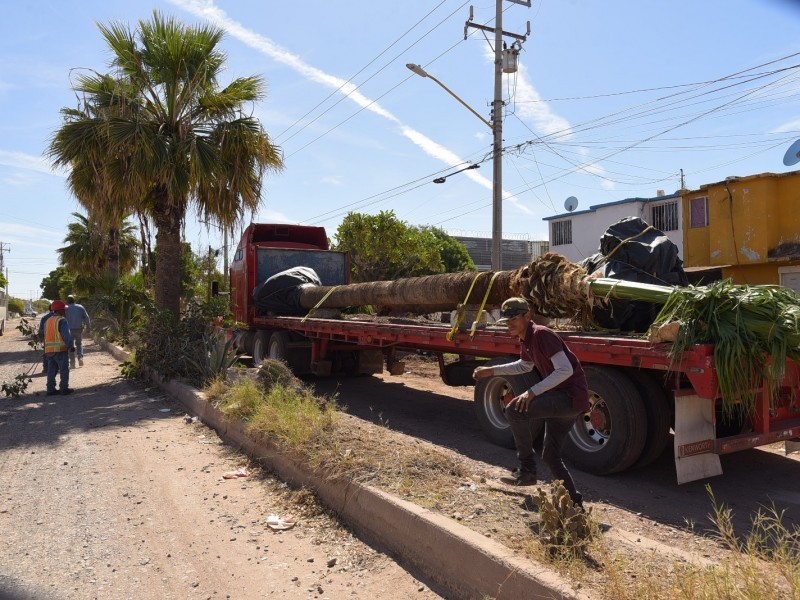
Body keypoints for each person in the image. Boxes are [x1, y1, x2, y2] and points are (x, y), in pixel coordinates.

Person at [473, 297, 590, 507]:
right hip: (568, 402)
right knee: (551, 456)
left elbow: (565, 369)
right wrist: (491, 371)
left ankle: (527, 470)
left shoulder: (541, 334)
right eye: (506, 320)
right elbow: (524, 366)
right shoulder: (526, 339)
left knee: (515, 410)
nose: (509, 324)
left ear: (528, 315)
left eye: (514, 319)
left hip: (568, 397)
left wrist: (531, 392)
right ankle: (575, 504)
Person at [44, 299, 75, 396]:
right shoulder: (61, 320)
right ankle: (64, 389)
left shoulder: (48, 321)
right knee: (64, 369)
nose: (65, 311)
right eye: (63, 309)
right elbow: (66, 335)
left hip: (49, 350)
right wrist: (70, 345)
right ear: (60, 310)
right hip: (60, 350)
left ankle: (50, 390)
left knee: (51, 370)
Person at [65, 294, 91, 368]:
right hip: (79, 329)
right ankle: (80, 357)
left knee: (71, 346)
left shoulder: (66, 308)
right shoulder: (80, 307)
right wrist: (88, 326)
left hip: (69, 330)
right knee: (79, 344)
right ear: (74, 300)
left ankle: (72, 363)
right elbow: (86, 317)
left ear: (67, 301)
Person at [38, 302, 55, 374]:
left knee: (46, 353)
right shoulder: (61, 317)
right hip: (59, 339)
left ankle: (46, 368)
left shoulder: (44, 318)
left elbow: (41, 330)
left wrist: (41, 338)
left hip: (47, 339)